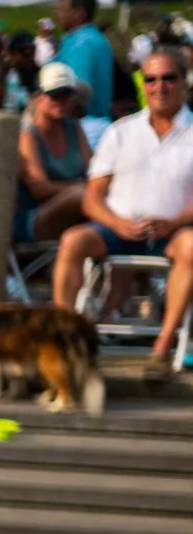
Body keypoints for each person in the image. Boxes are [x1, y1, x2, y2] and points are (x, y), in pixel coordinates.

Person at [50, 45, 193, 363]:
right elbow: (92, 196)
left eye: (169, 78)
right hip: (118, 228)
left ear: (185, 80)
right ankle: (62, 336)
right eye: (151, 79)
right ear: (143, 84)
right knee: (74, 240)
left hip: (174, 231)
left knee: (192, 246)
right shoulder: (121, 131)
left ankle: (165, 343)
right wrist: (117, 224)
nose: (159, 86)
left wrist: (175, 221)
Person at [15, 63, 90, 247]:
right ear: (37, 97)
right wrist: (81, 187)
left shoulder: (74, 127)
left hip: (75, 209)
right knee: (82, 195)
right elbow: (39, 188)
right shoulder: (27, 134)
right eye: (55, 95)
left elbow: (93, 169)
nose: (62, 100)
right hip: (35, 216)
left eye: (67, 94)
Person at [54, 0, 116, 131]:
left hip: (81, 129)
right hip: (99, 125)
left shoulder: (81, 44)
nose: (58, 14)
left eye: (63, 9)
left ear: (80, 13)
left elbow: (78, 94)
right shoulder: (98, 39)